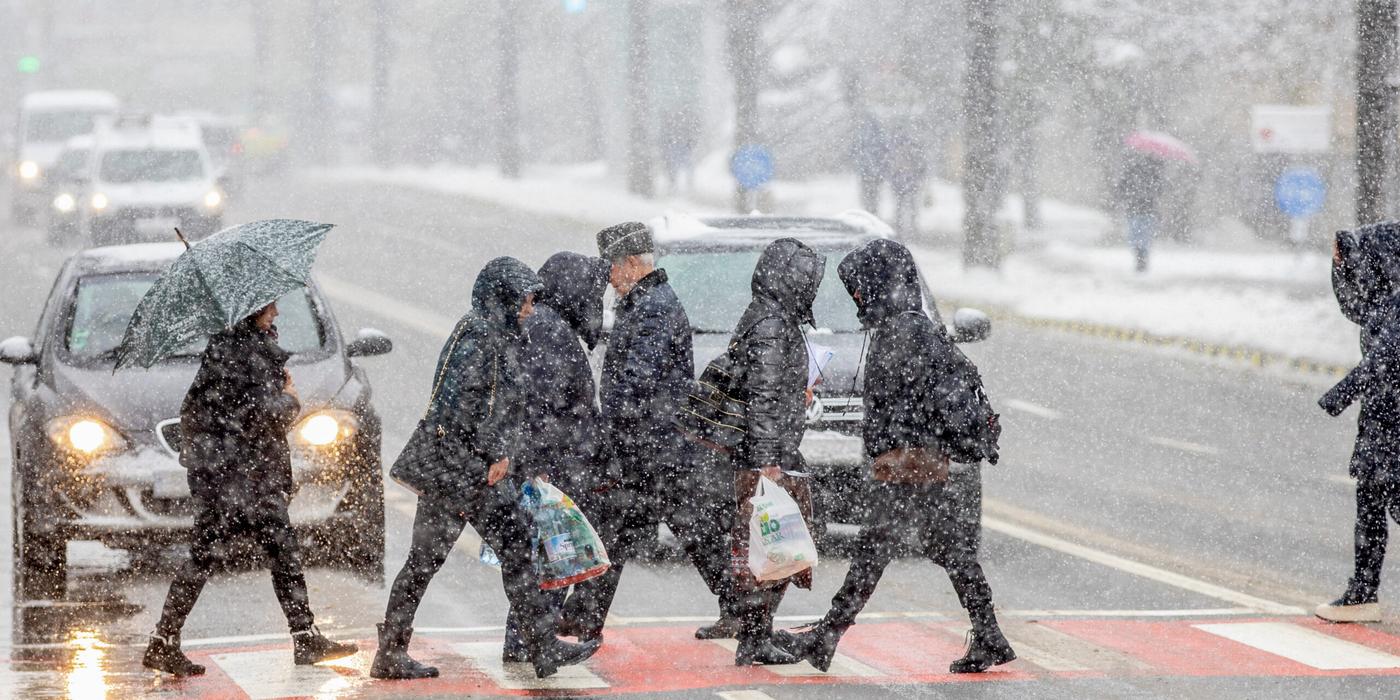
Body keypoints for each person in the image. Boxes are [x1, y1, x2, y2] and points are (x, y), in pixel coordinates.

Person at [777, 239, 1016, 674]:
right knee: (944, 551)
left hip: (907, 465)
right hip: (919, 462)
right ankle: (988, 633)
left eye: (859, 287)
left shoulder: (904, 332)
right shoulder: (909, 325)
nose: (856, 297)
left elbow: (906, 403)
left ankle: (827, 635)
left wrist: (890, 445)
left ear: (879, 284)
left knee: (875, 552)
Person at [372, 257, 598, 680]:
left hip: (455, 472)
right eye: (525, 301)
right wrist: (495, 454)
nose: (529, 309)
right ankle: (541, 646)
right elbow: (463, 407)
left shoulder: (489, 331)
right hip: (467, 473)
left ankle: (392, 649)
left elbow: (493, 407)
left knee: (429, 560)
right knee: (513, 551)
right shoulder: (481, 337)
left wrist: (507, 454)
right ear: (504, 298)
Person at [143, 302, 357, 677]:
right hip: (240, 476)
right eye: (269, 305)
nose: (277, 311)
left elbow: (212, 412)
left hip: (233, 473)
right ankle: (165, 641)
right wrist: (290, 399)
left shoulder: (234, 347)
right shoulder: (244, 351)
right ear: (250, 310)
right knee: (247, 553)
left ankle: (302, 635)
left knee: (263, 551)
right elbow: (261, 414)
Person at [559, 222, 739, 644]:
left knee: (696, 534)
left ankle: (743, 610)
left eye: (611, 268)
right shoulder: (641, 301)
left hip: (659, 449)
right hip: (647, 446)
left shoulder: (654, 307)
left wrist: (609, 425)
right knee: (619, 532)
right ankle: (583, 615)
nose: (609, 279)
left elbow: (640, 379)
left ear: (631, 264)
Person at [502, 251, 611, 661]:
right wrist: (542, 466)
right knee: (552, 554)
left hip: (556, 461)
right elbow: (542, 405)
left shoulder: (546, 326)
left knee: (548, 554)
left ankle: (528, 640)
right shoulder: (550, 332)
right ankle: (533, 641)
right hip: (556, 465)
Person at [723, 237, 826, 666]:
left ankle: (757, 632)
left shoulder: (772, 316)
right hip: (767, 454)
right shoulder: (771, 323)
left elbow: (769, 388)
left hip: (771, 448)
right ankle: (754, 636)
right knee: (774, 546)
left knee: (775, 546)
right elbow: (762, 394)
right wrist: (767, 459)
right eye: (806, 279)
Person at [1317, 224, 1400, 623]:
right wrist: (1341, 266)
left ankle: (1362, 591)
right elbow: (1352, 304)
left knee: (1390, 501)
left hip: (1393, 422)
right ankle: (1362, 593)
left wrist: (1340, 394)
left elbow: (1387, 360)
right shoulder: (1380, 300)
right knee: (1369, 502)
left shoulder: (1395, 303)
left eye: (1353, 264)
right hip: (1380, 419)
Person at [1116, 153, 1165, 273]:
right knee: (1145, 235)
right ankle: (1142, 256)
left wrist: (1129, 195)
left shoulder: (1130, 171)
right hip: (1148, 209)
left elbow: (1121, 189)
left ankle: (1139, 256)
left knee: (1135, 235)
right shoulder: (1154, 173)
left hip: (1134, 209)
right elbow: (1160, 191)